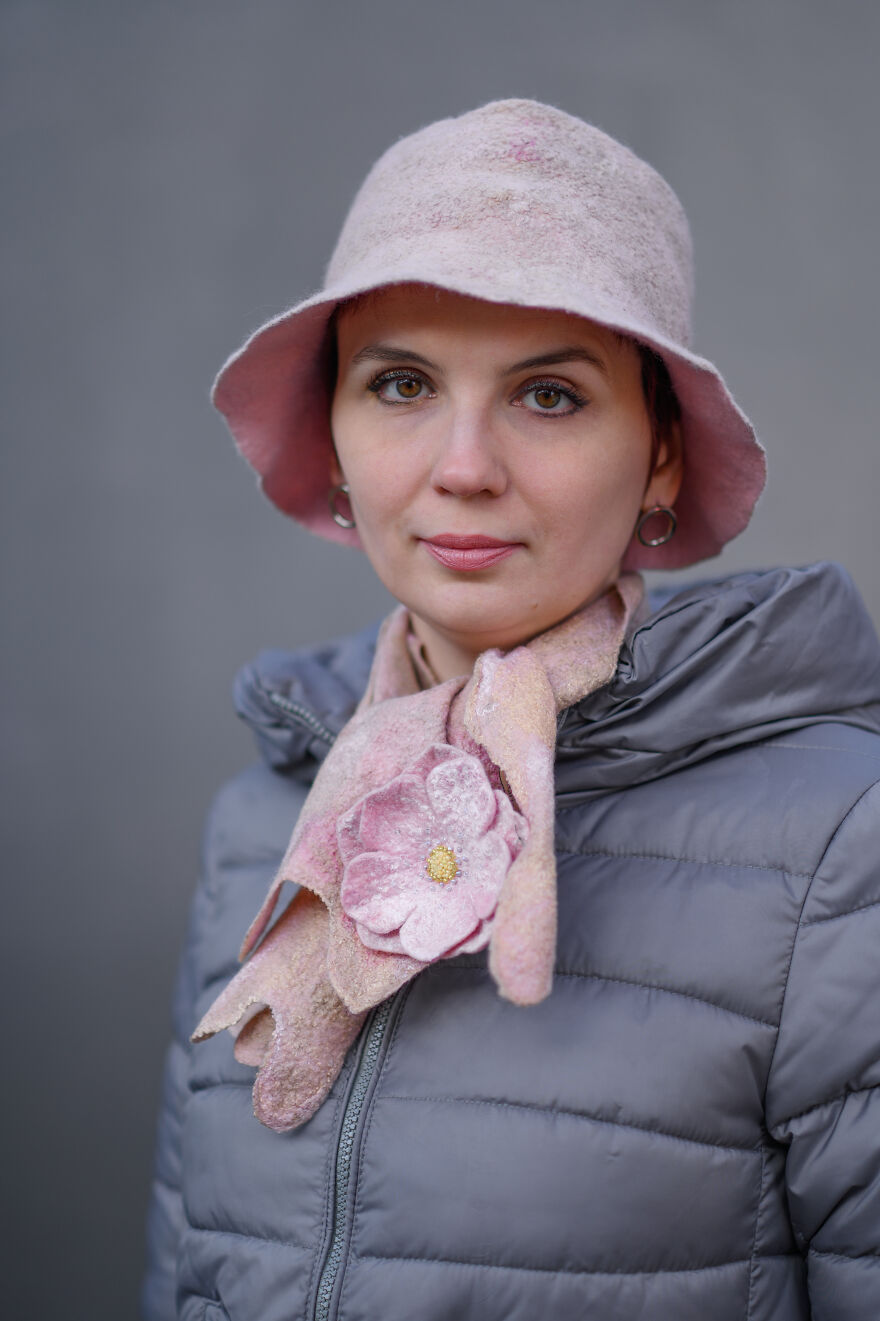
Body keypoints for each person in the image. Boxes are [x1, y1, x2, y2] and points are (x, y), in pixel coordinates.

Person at [141, 100, 880, 1321]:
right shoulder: (262, 818)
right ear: (330, 436)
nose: (465, 464)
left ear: (660, 455)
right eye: (401, 383)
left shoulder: (842, 842)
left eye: (548, 395)